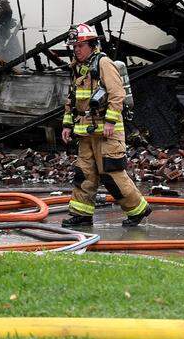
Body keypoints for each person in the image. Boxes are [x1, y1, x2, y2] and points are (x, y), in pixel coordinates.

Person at [60, 23, 150, 227]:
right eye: (74, 46)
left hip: (107, 132)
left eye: (80, 46)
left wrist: (110, 121)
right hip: (85, 132)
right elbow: (72, 99)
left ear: (92, 45)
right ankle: (82, 214)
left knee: (111, 174)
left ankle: (138, 210)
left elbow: (117, 94)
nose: (76, 50)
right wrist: (67, 125)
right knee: (84, 174)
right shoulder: (76, 67)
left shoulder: (104, 63)